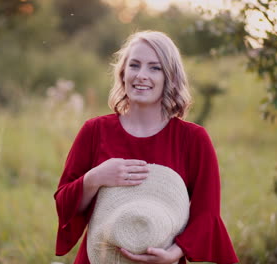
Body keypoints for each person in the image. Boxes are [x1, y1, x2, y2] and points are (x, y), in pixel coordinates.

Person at [54, 30, 238, 264]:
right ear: (122, 73)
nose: (141, 75)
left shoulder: (193, 139)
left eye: (155, 67)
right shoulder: (94, 131)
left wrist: (173, 254)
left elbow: (207, 214)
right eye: (134, 65)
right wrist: (95, 177)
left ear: (169, 77)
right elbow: (64, 205)